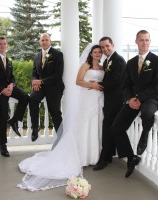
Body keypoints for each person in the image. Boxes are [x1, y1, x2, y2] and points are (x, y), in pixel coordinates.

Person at [17, 44, 104, 191]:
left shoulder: (102, 68)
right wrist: (91, 84)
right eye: (95, 51)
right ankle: (82, 156)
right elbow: (78, 81)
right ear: (91, 53)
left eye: (99, 52)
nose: (97, 54)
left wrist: (98, 86)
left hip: (98, 100)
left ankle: (94, 156)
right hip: (87, 98)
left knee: (95, 125)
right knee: (85, 126)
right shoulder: (85, 65)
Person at [110, 30, 158, 178]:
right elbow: (125, 85)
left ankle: (145, 134)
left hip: (150, 98)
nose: (145, 43)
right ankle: (131, 157)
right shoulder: (131, 63)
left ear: (150, 41)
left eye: (147, 40)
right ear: (136, 42)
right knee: (116, 128)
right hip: (133, 100)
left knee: (147, 113)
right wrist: (129, 99)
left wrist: (140, 98)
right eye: (142, 40)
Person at [0, 36, 29, 157]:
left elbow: (12, 76)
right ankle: (2, 144)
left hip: (9, 88)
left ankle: (14, 120)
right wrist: (2, 90)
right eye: (0, 44)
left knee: (25, 97)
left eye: (5, 44)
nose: (3, 46)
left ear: (7, 45)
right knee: (3, 115)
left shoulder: (8, 60)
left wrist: (11, 84)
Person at [93, 37, 127, 171]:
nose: (105, 49)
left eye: (107, 46)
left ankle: (104, 159)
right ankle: (109, 156)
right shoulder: (108, 60)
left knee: (107, 127)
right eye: (102, 47)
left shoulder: (118, 60)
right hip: (109, 100)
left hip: (116, 100)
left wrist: (97, 85)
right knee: (110, 128)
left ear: (112, 45)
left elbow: (116, 81)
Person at [29, 33, 65, 142]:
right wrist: (34, 82)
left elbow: (58, 74)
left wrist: (42, 81)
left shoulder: (58, 54)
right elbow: (34, 73)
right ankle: (35, 128)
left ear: (50, 41)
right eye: (42, 40)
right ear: (40, 42)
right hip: (40, 87)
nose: (44, 42)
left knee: (54, 111)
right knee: (32, 99)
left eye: (46, 40)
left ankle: (61, 136)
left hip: (54, 87)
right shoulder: (37, 56)